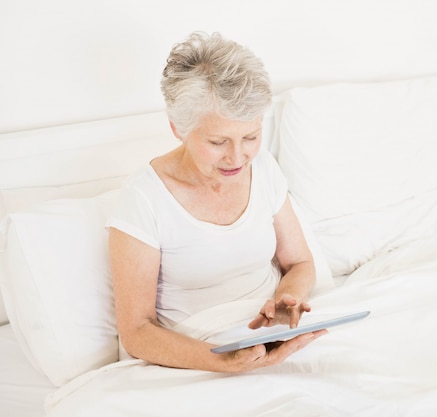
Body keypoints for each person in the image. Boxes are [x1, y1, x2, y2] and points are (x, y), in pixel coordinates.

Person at [107, 32, 325, 372]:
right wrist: (224, 359)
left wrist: (287, 299)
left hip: (268, 337)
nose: (237, 157)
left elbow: (299, 263)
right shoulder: (143, 200)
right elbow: (136, 332)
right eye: (218, 141)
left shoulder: (263, 167)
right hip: (196, 355)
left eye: (250, 137)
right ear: (178, 128)